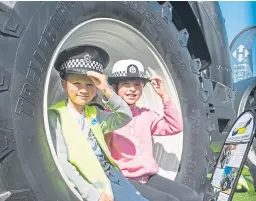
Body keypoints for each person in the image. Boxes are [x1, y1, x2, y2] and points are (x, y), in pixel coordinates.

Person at [48, 46, 148, 201]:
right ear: (64, 84)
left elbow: (125, 116)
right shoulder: (56, 115)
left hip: (112, 175)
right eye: (77, 83)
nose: (83, 90)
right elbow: (63, 163)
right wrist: (93, 195)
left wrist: (106, 90)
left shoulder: (94, 114)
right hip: (94, 185)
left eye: (90, 84)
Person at [106, 59, 202, 201]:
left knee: (192, 197)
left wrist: (164, 96)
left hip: (148, 177)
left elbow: (175, 126)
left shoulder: (146, 114)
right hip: (125, 178)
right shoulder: (107, 116)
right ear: (115, 87)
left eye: (137, 85)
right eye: (126, 84)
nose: (132, 89)